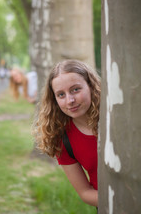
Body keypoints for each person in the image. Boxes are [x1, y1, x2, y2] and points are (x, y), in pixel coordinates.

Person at [34, 59, 101, 207]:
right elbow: (85, 193)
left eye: (75, 89)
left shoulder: (119, 117)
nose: (70, 100)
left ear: (91, 86)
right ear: (54, 99)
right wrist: (121, 203)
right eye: (61, 95)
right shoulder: (62, 139)